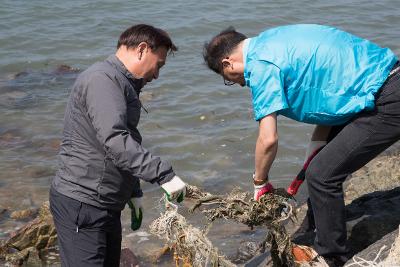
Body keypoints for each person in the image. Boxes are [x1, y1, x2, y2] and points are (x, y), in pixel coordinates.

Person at [203, 24, 399, 266]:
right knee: (319, 166)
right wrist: (316, 147)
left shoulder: (261, 64)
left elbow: (268, 139)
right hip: (380, 84)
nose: (240, 84)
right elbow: (328, 101)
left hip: (386, 98)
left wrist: (260, 183)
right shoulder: (275, 40)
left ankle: (331, 256)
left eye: (229, 80)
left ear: (227, 63)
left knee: (321, 175)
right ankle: (311, 229)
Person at [49, 24, 187, 267]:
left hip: (103, 204)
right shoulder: (102, 80)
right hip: (83, 203)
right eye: (159, 65)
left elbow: (124, 142)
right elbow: (115, 140)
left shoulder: (121, 83)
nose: (157, 75)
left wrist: (133, 192)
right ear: (142, 50)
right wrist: (163, 175)